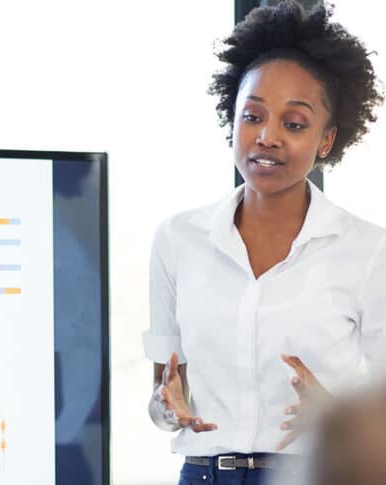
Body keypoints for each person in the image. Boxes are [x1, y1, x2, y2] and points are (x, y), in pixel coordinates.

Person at [142, 1, 386, 484]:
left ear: (326, 140)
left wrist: (333, 416)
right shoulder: (178, 239)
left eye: (293, 124)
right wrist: (167, 408)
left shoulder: (368, 251)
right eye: (252, 116)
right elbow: (166, 400)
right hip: (204, 475)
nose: (267, 137)